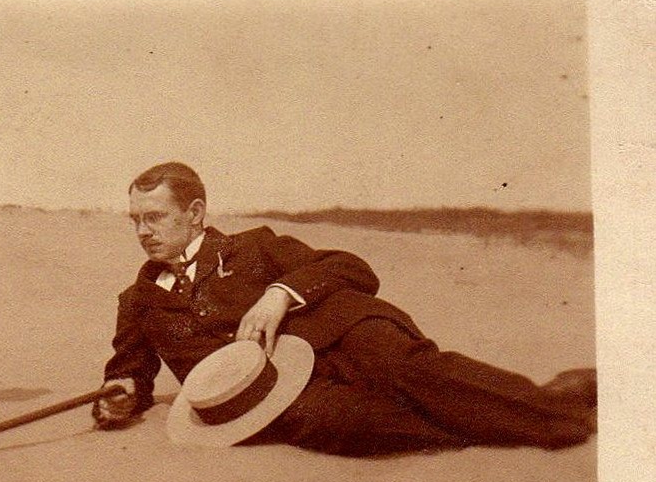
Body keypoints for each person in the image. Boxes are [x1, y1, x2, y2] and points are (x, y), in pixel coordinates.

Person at [92, 162, 597, 455]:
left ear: (195, 213)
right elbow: (129, 375)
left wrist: (278, 294)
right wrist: (119, 397)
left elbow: (350, 267)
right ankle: (528, 410)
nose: (142, 231)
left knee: (405, 371)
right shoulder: (138, 302)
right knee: (348, 426)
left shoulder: (255, 246)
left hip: (339, 330)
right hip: (281, 396)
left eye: (154, 217)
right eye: (135, 219)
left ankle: (559, 414)